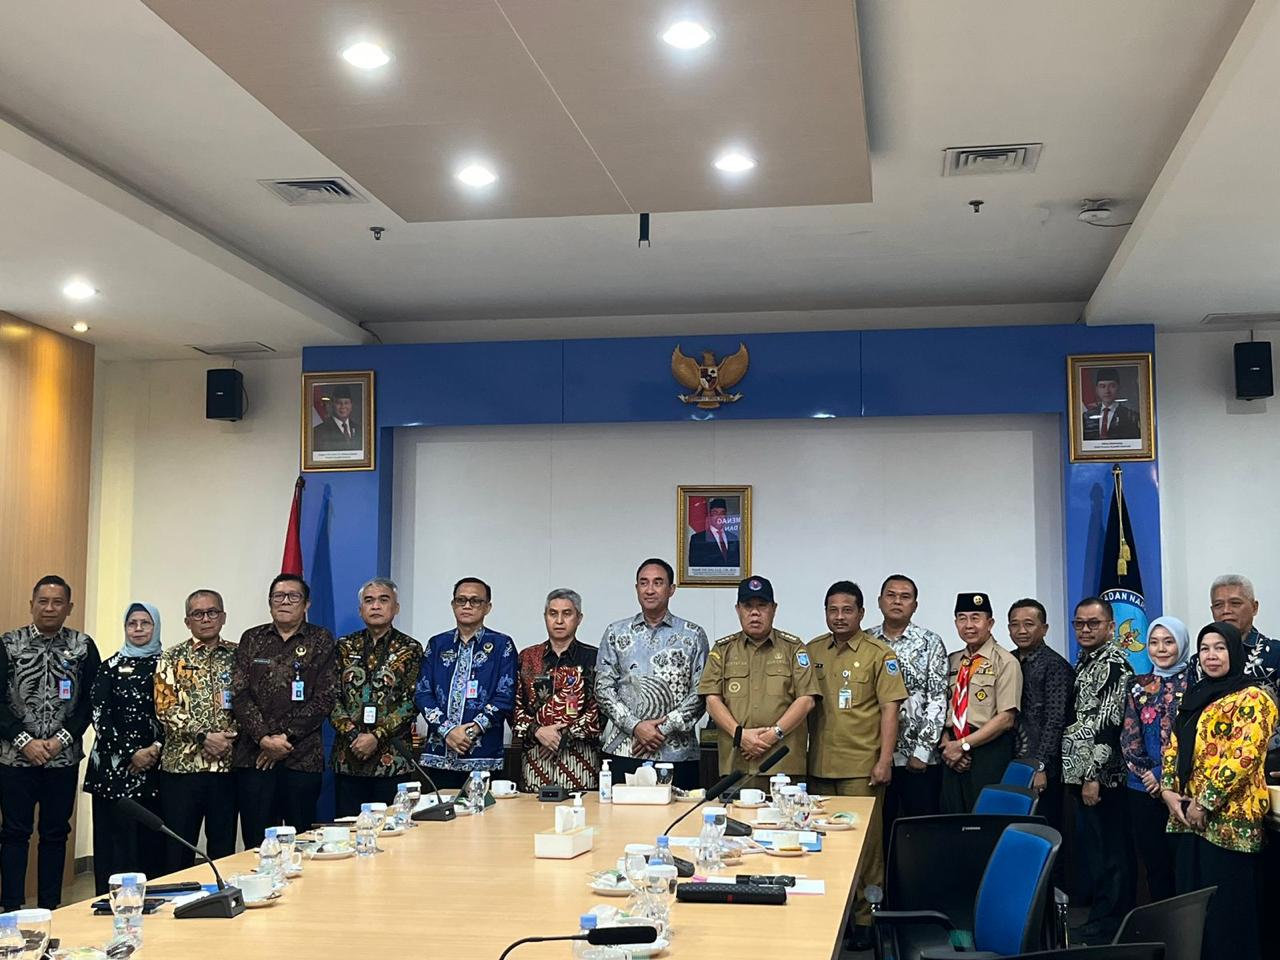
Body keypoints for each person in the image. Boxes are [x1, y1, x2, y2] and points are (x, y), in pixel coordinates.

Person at [1161, 622, 1277, 960]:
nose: (1211, 656)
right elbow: (1173, 746)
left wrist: (1205, 802)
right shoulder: (1194, 695)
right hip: (1187, 818)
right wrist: (1168, 791)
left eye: (1220, 648)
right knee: (1193, 915)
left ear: (1235, 652)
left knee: (1228, 917)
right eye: (1205, 649)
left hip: (1229, 823)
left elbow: (1243, 756)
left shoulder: (1253, 697)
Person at [807, 581, 906, 952]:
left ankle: (866, 920)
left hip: (861, 769)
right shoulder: (812, 651)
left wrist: (884, 760)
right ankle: (836, 918)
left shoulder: (879, 654)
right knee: (823, 847)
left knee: (866, 849)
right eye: (833, 610)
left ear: (862, 613)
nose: (839, 617)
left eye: (847, 610)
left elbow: (890, 711)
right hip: (818, 766)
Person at [0, 575, 101, 911]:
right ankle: (11, 909)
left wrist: (61, 739)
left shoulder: (82, 646)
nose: (49, 608)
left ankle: (51, 909)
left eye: (58, 602)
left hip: (62, 758)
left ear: (69, 608)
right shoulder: (9, 644)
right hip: (15, 758)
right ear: (31, 604)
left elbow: (91, 701)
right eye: (43, 601)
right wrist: (23, 740)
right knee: (14, 833)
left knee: (56, 834)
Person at [232, 573, 337, 845]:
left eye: (293, 596)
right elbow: (240, 694)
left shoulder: (321, 639)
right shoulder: (252, 638)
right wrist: (264, 739)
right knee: (258, 844)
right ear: (270, 603)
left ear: (306, 604)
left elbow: (325, 697)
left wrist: (284, 739)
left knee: (300, 842)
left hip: (301, 759)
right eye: (278, 596)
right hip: (255, 758)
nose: (285, 601)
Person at [596, 559, 709, 790]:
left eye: (658, 583)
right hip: (625, 749)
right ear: (636, 588)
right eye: (643, 582)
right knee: (621, 813)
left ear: (671, 589)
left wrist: (660, 731)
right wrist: (636, 726)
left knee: (678, 814)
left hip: (677, 753)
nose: (649, 589)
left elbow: (701, 693)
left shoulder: (693, 634)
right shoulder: (615, 632)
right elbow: (603, 689)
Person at [1062, 597, 1135, 943]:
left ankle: (1111, 925)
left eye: (1093, 623)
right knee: (1095, 850)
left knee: (1110, 853)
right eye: (1079, 623)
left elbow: (1110, 723)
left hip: (1103, 777)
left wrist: (1093, 776)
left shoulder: (1115, 664)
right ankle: (1101, 917)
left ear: (1110, 626)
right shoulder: (1087, 660)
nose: (1085, 629)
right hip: (1080, 773)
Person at [699, 576, 820, 786]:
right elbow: (711, 700)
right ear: (738, 609)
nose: (754, 613)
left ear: (774, 609)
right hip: (736, 765)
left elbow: (807, 700)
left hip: (783, 764)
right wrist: (740, 736)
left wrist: (773, 735)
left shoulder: (794, 648)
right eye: (748, 606)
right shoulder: (722, 650)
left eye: (762, 606)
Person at [153, 589, 239, 872]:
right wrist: (204, 736)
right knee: (178, 849)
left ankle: (222, 895)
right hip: (182, 769)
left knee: (223, 848)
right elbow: (165, 707)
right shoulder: (171, 657)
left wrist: (227, 738)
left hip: (226, 767)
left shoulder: (240, 655)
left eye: (212, 612)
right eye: (198, 614)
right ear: (187, 621)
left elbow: (251, 703)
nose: (206, 618)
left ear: (223, 617)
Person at [84, 603, 164, 894]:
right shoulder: (110, 666)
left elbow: (173, 712)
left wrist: (154, 748)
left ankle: (151, 903)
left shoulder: (168, 666)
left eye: (146, 623)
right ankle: (110, 903)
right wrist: (131, 752)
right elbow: (99, 716)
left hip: (155, 769)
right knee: (114, 844)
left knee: (151, 844)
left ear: (156, 626)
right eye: (132, 623)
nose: (139, 629)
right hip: (112, 770)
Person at [330, 578, 423, 817]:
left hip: (392, 760)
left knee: (392, 829)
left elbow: (412, 701)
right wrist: (354, 736)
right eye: (369, 601)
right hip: (348, 757)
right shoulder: (344, 646)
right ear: (360, 609)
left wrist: (376, 736)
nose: (376, 606)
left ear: (396, 608)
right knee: (349, 828)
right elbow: (331, 697)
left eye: (383, 600)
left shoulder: (410, 648)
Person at [414, 578, 517, 789]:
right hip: (439, 753)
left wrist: (470, 732)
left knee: (483, 810)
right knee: (439, 809)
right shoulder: (437, 644)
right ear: (453, 605)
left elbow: (505, 695)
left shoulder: (501, 645)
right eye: (461, 600)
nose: (467, 606)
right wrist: (448, 730)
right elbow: (423, 693)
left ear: (487, 607)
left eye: (475, 601)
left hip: (483, 755)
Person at [869, 575, 948, 838]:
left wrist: (922, 751)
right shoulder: (866, 641)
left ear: (915, 605)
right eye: (891, 595)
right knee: (879, 833)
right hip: (874, 756)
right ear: (880, 601)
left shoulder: (930, 642)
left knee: (920, 835)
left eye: (905, 597)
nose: (897, 601)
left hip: (917, 760)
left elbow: (937, 698)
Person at [1120, 615, 1190, 904]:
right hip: (1143, 788)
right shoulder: (1138, 685)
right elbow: (1129, 734)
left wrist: (1163, 773)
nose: (1161, 649)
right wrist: (1147, 774)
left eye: (1169, 642)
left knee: (1184, 865)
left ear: (1182, 644)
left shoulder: (1196, 685)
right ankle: (1165, 926)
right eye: (1154, 642)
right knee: (1155, 865)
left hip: (1183, 786)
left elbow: (1194, 738)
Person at [512, 589, 603, 792]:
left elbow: (600, 709)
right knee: (531, 810)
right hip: (536, 756)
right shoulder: (527, 657)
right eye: (553, 613)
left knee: (582, 810)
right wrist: (538, 731)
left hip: (580, 758)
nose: (559, 621)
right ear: (545, 617)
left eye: (567, 614)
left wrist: (562, 737)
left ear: (579, 618)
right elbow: (514, 707)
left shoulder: (594, 658)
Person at [940, 592, 1021, 813]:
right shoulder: (952, 661)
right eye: (962, 618)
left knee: (985, 818)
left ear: (990, 623)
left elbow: (1006, 719)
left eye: (976, 618)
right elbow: (943, 708)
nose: (969, 625)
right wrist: (948, 744)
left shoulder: (1005, 662)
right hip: (951, 754)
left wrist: (963, 745)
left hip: (987, 751)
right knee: (952, 819)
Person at [1008, 598, 1072, 838]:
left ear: (1044, 628)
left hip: (1042, 767)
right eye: (1015, 624)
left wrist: (1041, 765)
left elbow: (1056, 719)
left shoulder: (1055, 665)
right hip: (1012, 760)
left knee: (1042, 829)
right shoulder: (1008, 661)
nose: (1021, 630)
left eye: (1029, 624)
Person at [1192, 574, 1279, 695]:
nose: (1226, 611)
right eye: (1218, 605)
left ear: (1254, 607)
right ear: (1212, 611)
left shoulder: (1275, 654)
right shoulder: (1199, 661)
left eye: (1235, 603)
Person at [1082, 367, 1141, 440]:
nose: (1107, 391)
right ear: (1096, 389)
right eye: (1102, 386)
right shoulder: (1087, 417)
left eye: (1112, 386)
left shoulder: (1131, 416)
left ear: (1119, 388)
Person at [687, 498, 740, 569]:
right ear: (709, 516)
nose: (719, 516)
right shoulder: (698, 538)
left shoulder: (733, 538)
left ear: (726, 517)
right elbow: (695, 565)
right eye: (715, 513)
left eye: (722, 513)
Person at [312, 385, 361, 451]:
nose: (343, 406)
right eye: (338, 403)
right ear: (332, 404)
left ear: (351, 405)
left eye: (346, 403)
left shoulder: (359, 429)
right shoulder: (319, 431)